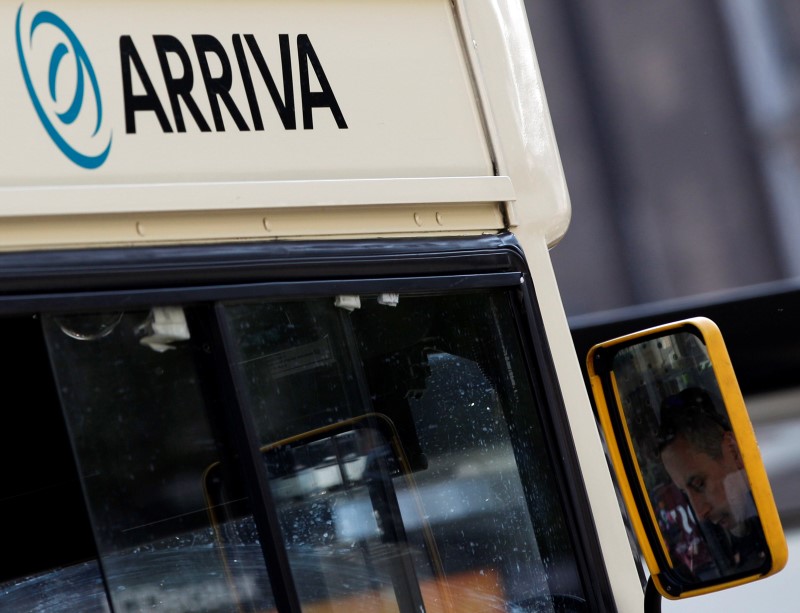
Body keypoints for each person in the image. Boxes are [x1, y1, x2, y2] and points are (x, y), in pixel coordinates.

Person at [657, 387, 766, 575]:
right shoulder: (723, 546)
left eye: (699, 484)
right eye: (685, 494)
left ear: (733, 451)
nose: (700, 513)